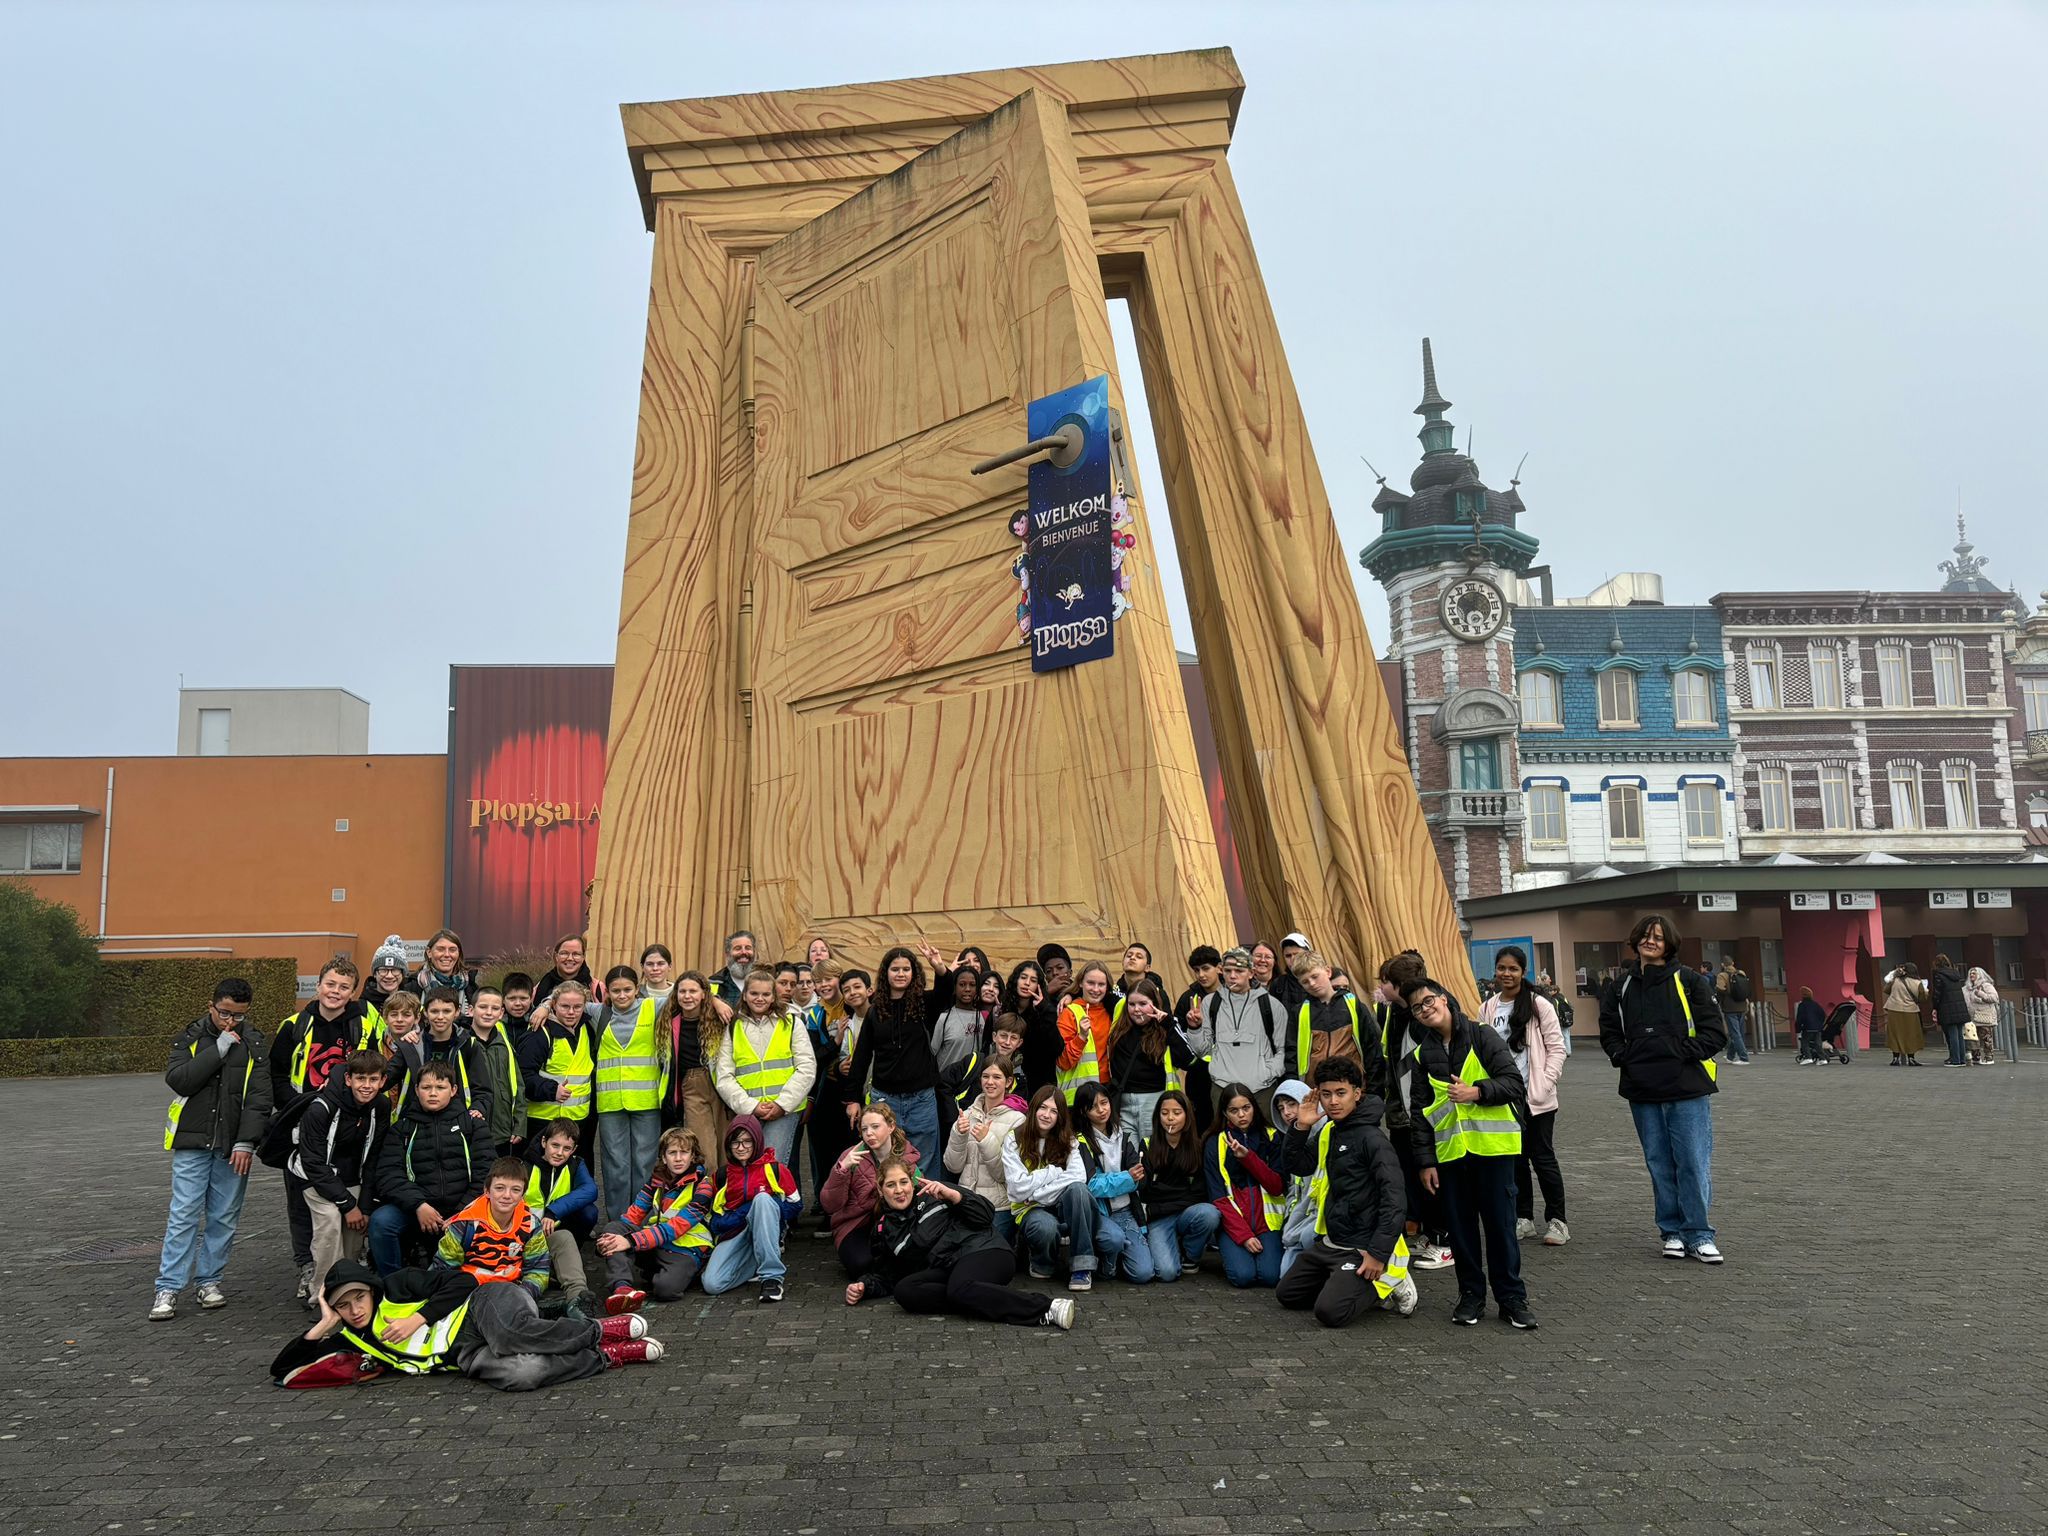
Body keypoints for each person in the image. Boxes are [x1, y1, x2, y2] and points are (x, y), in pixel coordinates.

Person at [272, 1260, 658, 1391]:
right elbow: (282, 1370)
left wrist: (417, 1318)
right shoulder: (352, 1337)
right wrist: (322, 1324)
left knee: (509, 1337)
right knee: (522, 1373)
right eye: (343, 1306)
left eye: (359, 1297)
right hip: (467, 1354)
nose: (355, 1309)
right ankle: (605, 1356)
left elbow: (464, 1282)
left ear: (370, 1290)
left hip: (485, 1305)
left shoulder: (398, 1285)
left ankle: (600, 1330)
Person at [1403, 978, 1535, 1327]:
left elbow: (1513, 1084)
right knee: (1461, 1232)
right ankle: (1471, 1296)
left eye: (1429, 1000)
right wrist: (1425, 1162)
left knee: (1501, 1228)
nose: (1425, 1009)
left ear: (1445, 999)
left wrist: (1477, 1092)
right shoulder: (1420, 1055)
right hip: (1450, 1157)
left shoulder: (1482, 1035)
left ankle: (1512, 1299)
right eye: (1417, 1007)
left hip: (1494, 1152)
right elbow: (1420, 1113)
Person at [1597, 913, 1725, 1264]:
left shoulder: (1689, 981)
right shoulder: (1620, 986)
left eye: (1658, 937)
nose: (1650, 941)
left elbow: (1715, 1032)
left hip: (1687, 1087)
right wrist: (1623, 1056)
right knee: (1658, 1163)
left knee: (1692, 1162)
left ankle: (1699, 1234)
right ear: (1636, 940)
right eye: (1645, 936)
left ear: (1669, 943)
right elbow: (1608, 1029)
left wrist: (1681, 1053)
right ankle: (1671, 1232)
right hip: (1642, 1088)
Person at [151, 978, 274, 1321]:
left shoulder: (255, 1042)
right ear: (211, 1006)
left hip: (233, 1145)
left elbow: (260, 1098)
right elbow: (180, 1080)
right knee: (184, 1213)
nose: (231, 1022)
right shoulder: (190, 1037)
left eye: (239, 1015)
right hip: (191, 1141)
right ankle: (169, 1287)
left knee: (223, 1216)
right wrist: (218, 1048)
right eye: (224, 1013)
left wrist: (246, 1141)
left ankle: (209, 1281)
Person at [269, 956, 384, 1306]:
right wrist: (301, 1105)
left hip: (352, 1119)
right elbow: (276, 1075)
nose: (335, 992)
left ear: (352, 992)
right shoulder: (294, 1025)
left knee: (348, 1187)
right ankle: (308, 1266)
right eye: (330, 984)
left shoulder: (365, 1021)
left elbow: (377, 1064)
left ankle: (347, 1270)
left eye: (344, 987)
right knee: (302, 1197)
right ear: (318, 985)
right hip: (305, 1120)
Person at [845, 1160, 1075, 1329]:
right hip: (949, 1267)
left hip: (986, 1251)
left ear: (912, 1182)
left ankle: (1046, 1308)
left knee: (959, 1287)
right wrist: (865, 1287)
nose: (899, 1190)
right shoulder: (883, 1228)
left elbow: (986, 1214)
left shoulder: (935, 1192)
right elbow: (887, 1273)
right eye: (891, 1185)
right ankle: (976, 1299)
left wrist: (956, 1196)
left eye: (904, 1182)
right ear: (880, 1189)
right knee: (905, 1291)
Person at [1276, 1055, 1417, 1327]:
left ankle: (1390, 1278)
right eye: (1326, 1094)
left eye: (1341, 1093)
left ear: (1357, 1093)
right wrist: (1301, 1127)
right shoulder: (1331, 1130)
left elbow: (1395, 1199)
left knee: (1330, 1313)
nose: (1333, 1101)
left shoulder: (1373, 1139)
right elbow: (1298, 1165)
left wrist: (1377, 1253)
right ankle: (1345, 1281)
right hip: (1332, 1242)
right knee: (1287, 1294)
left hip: (1363, 1248)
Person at [367, 1062, 493, 1277]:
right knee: (381, 1222)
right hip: (418, 1210)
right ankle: (393, 1285)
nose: (433, 1093)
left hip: (463, 1209)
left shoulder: (473, 1125)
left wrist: (461, 1213)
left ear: (453, 1090)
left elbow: (487, 1173)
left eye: (440, 1087)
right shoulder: (402, 1128)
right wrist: (418, 1205)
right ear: (416, 1090)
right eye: (426, 1088)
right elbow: (389, 1175)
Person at [1481, 946, 1569, 1246]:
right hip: (1504, 1097)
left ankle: (1558, 1221)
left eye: (1513, 969)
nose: (1506, 974)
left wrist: (1545, 1083)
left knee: (1542, 1158)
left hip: (1536, 1097)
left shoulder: (1538, 1005)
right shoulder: (1488, 1008)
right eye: (1501, 968)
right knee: (1515, 1160)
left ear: (1523, 971)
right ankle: (1524, 1218)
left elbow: (1557, 1047)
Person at [286, 1048, 390, 1304]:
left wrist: (363, 1206)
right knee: (331, 1222)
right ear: (348, 1079)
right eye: (360, 1079)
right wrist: (347, 1205)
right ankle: (324, 1291)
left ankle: (350, 1282)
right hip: (315, 1178)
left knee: (357, 1226)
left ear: (383, 1081)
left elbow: (374, 1159)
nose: (366, 1086)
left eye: (373, 1079)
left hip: (353, 1177)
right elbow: (313, 1162)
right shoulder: (321, 1108)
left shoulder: (381, 1106)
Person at [1377, 952, 1451, 1272]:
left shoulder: (1428, 1016)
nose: (1381, 988)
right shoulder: (1396, 1013)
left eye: (1386, 983)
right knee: (1412, 1173)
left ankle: (1444, 1240)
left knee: (1433, 1175)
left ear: (1401, 986)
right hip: (1404, 1111)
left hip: (1429, 1111)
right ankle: (1423, 1231)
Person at [843, 946, 942, 1170]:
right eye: (895, 968)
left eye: (906, 969)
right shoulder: (875, 1011)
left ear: (914, 973)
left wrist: (938, 966)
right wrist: (852, 1099)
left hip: (921, 1099)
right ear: (885, 973)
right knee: (886, 1161)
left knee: (924, 1160)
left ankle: (925, 1204)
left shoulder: (924, 1004)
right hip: (885, 1100)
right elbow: (862, 1056)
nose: (900, 973)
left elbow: (945, 993)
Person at [595, 1126, 713, 1306]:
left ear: (693, 1156)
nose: (679, 1158)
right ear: (664, 1158)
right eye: (672, 1153)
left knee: (665, 1290)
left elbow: (675, 1228)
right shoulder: (655, 1181)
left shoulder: (703, 1186)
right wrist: (607, 1242)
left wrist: (631, 1241)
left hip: (687, 1251)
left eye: (684, 1152)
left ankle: (670, 1274)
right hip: (656, 1245)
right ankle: (622, 1288)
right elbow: (631, 1217)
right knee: (613, 1229)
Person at [713, 966, 817, 1168]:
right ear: (744, 995)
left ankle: (778, 1201)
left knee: (771, 1166)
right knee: (746, 1167)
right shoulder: (733, 1027)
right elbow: (724, 1076)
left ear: (773, 997)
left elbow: (806, 1067)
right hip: (748, 1110)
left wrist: (782, 1104)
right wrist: (751, 1106)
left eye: (765, 994)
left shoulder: (792, 1022)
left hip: (784, 1110)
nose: (759, 998)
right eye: (754, 993)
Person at [1002, 1085, 1095, 1291]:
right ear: (1034, 1108)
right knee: (1045, 1227)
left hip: (1054, 1203)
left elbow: (1078, 1176)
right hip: (1029, 1209)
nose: (1047, 1115)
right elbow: (1017, 1188)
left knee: (1078, 1190)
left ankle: (1082, 1267)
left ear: (1060, 1116)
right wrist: (1053, 1172)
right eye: (1043, 1108)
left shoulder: (1068, 1139)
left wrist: (1037, 1194)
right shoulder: (1014, 1139)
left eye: (1054, 1111)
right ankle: (1042, 1261)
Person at [703, 1114, 801, 1301]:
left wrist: (765, 1210)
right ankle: (755, 1263)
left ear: (757, 1141)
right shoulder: (722, 1175)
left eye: (747, 1141)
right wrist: (746, 1212)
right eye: (736, 1142)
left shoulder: (775, 1169)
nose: (741, 1148)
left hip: (767, 1230)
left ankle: (772, 1278)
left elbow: (796, 1205)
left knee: (763, 1200)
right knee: (712, 1284)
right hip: (735, 1233)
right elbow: (714, 1221)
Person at [592, 964, 665, 1215]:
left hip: (646, 1101)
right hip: (611, 1102)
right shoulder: (597, 1012)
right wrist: (546, 1005)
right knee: (615, 1166)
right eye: (616, 991)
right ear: (607, 991)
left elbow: (689, 995)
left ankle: (642, 1219)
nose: (622, 995)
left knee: (645, 1165)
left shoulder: (652, 1006)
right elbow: (563, 996)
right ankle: (618, 1221)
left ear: (637, 989)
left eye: (627, 990)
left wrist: (718, 1002)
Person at [821, 1101, 920, 1274]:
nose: (869, 1133)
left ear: (891, 1126)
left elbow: (920, 1196)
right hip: (856, 1223)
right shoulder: (851, 1156)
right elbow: (830, 1205)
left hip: (895, 1221)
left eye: (875, 1127)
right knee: (861, 1265)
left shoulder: (907, 1157)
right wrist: (842, 1170)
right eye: (864, 1129)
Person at [1187, 948, 1286, 1121]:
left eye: (1239, 971)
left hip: (1262, 1089)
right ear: (1221, 971)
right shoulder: (1211, 1003)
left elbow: (1283, 1049)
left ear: (1251, 973)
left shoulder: (1271, 1005)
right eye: (1227, 971)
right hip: (1222, 1089)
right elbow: (1202, 1051)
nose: (1232, 976)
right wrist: (1195, 1028)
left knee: (1268, 1141)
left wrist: (1267, 1073)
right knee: (1227, 1142)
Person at [1072, 1081, 1155, 1283]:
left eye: (1105, 1103)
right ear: (1083, 1112)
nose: (1101, 1110)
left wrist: (1135, 1176)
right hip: (1100, 1213)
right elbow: (1091, 1185)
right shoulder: (1080, 1141)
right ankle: (1107, 1265)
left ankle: (1119, 1256)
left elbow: (1141, 1178)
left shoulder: (1123, 1136)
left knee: (1143, 1274)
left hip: (1127, 1211)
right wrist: (1127, 1178)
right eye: (1093, 1107)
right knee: (1113, 1239)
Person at [1206, 1080, 1285, 1289]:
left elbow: (1276, 1186)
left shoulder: (1272, 1136)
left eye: (1246, 1108)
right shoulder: (1216, 1143)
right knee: (1243, 1277)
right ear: (1224, 1113)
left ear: (1254, 1107)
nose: (1241, 1115)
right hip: (1235, 1225)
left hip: (1268, 1223)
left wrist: (1248, 1157)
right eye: (1234, 1110)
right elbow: (1218, 1197)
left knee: (1270, 1277)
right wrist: (1244, 1236)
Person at [436, 1156, 552, 1294]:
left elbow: (538, 1270)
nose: (507, 1195)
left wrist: (522, 1295)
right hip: (469, 1291)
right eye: (499, 1188)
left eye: (515, 1190)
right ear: (487, 1191)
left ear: (523, 1195)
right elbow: (442, 1269)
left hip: (512, 1292)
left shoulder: (531, 1225)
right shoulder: (465, 1224)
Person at [521, 1118, 600, 1313]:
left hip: (553, 1230)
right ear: (543, 1143)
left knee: (588, 1212)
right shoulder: (523, 1165)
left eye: (566, 1148)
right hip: (523, 1234)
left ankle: (578, 1300)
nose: (559, 1153)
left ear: (573, 1150)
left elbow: (590, 1190)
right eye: (555, 1145)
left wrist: (553, 1211)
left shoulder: (575, 1164)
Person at [1140, 1089, 1219, 1280]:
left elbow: (1199, 1194)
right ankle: (1171, 1245)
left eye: (1177, 1113)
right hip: (1159, 1219)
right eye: (1165, 1113)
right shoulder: (1147, 1145)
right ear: (1158, 1116)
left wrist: (1161, 1200)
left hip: (1183, 1213)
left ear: (1187, 1116)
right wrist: (1178, 1196)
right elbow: (1146, 1191)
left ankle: (1190, 1255)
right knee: (1167, 1273)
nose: (1170, 1118)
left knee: (1209, 1213)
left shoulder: (1198, 1147)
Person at [518, 980, 597, 1169]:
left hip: (579, 1122)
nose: (571, 1012)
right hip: (544, 1122)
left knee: (575, 1176)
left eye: (577, 1007)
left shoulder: (588, 1029)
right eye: (565, 1006)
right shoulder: (539, 1034)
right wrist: (551, 1090)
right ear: (553, 1005)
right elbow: (522, 1075)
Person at [1104, 977, 1193, 1140]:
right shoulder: (1119, 1028)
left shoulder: (1165, 1028)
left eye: (1143, 1004)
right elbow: (1097, 991)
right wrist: (1068, 995)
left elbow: (1188, 1060)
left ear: (1154, 1003)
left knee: (1151, 1155)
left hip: (1153, 1101)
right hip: (1123, 1103)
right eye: (1131, 1004)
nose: (1136, 1009)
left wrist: (1168, 1026)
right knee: (1129, 1157)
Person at [657, 969, 727, 1174]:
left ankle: (728, 1203)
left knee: (726, 1149)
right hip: (691, 1086)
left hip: (720, 1085)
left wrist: (716, 1001)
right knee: (704, 1152)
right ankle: (706, 1201)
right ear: (675, 994)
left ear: (704, 993)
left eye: (693, 991)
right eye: (682, 991)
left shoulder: (718, 1018)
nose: (687, 996)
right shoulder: (670, 1021)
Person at [944, 1057, 1026, 1225]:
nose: (990, 1082)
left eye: (997, 1077)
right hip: (965, 1202)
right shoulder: (966, 1115)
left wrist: (986, 1140)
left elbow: (1005, 1175)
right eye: (985, 1076)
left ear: (1008, 1081)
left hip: (998, 1208)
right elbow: (953, 1167)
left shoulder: (1018, 1120)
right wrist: (958, 1134)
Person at [809, 967, 867, 1200]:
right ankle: (825, 1201)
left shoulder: (853, 1006)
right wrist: (835, 1059)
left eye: (829, 979)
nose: (824, 985)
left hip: (857, 1088)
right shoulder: (815, 1015)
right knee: (825, 1146)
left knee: (852, 1144)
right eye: (818, 981)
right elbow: (813, 1057)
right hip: (829, 1087)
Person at [394, 988, 491, 1125]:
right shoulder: (411, 1044)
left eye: (446, 1011)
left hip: (457, 1121)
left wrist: (478, 1108)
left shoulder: (468, 1044)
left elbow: (482, 1088)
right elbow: (386, 1077)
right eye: (434, 1011)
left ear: (457, 1012)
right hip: (416, 1120)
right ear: (425, 1013)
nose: (440, 1017)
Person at [1291, 953, 1385, 1095]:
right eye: (1305, 981)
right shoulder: (1299, 1012)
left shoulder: (1353, 1005)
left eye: (1315, 976)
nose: (1312, 984)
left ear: (1328, 971)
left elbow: (1372, 1049)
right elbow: (1291, 1054)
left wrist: (1374, 1091)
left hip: (1354, 1088)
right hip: (1316, 1092)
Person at [465, 986, 526, 1156]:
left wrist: (519, 1124)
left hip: (502, 1131)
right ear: (471, 1010)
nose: (488, 1013)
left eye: (495, 1008)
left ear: (501, 1013)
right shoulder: (462, 1044)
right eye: (483, 1007)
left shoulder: (505, 1046)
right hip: (470, 1129)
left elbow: (518, 1086)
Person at [1269, 1079, 1320, 1276]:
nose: (1287, 1113)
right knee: (1284, 1280)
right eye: (1281, 1108)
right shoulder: (1289, 1144)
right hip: (1296, 1229)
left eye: (1292, 1104)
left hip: (1317, 1225)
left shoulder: (1324, 1137)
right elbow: (1293, 1193)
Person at [998, 961, 1063, 1100]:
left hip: (1037, 1086)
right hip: (1003, 1079)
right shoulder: (1001, 1009)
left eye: (1033, 980)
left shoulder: (1045, 1011)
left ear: (1038, 985)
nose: (1027, 983)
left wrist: (1045, 1010)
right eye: (1023, 977)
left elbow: (1057, 1048)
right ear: (1016, 980)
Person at [1055, 962, 1117, 1103]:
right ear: (1081, 983)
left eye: (1101, 984)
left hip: (1107, 1092)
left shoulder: (1111, 1011)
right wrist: (1081, 1037)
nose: (1096, 989)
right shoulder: (1069, 1012)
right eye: (1090, 983)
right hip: (1078, 1097)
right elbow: (1063, 1062)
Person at [402, 929, 481, 1016]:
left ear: (459, 954)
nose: (447, 954)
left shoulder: (471, 987)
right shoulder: (412, 987)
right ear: (429, 952)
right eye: (440, 949)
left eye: (452, 950)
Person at [532, 933, 596, 1016]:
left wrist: (547, 1004)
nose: (570, 958)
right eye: (564, 953)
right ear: (556, 956)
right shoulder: (541, 986)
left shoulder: (596, 988)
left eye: (576, 954)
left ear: (583, 957)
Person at [1928, 954, 1972, 1067]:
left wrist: (1935, 1007)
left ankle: (1955, 1060)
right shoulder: (1955, 974)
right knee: (1959, 1034)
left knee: (1952, 1034)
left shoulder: (1938, 975)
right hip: (1959, 1007)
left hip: (1947, 1007)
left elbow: (1937, 993)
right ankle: (1962, 1059)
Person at [1881, 963, 1928, 1066]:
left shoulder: (1895, 980)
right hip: (1910, 1011)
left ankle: (1895, 1058)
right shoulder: (1918, 982)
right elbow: (1922, 998)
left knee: (1895, 1034)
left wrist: (1895, 975)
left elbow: (1886, 990)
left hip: (1894, 1009)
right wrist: (1926, 991)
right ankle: (1911, 1058)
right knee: (1910, 1034)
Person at [362, 937, 411, 1020]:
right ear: (375, 974)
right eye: (383, 970)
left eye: (395, 970)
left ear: (403, 974)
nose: (389, 976)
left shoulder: (412, 1005)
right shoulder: (361, 1007)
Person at [1716, 959, 1754, 1064]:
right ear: (1733, 963)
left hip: (1730, 1007)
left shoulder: (1722, 975)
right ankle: (1730, 1056)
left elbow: (1720, 989)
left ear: (1722, 964)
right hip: (1742, 1006)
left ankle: (1744, 1057)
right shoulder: (1741, 973)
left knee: (1735, 1033)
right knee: (1739, 1032)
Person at [1256, 939, 1307, 1015]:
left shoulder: (1323, 978)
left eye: (1296, 954)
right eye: (1288, 956)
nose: (1293, 959)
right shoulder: (1278, 984)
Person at [707, 930, 757, 1004]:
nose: (743, 952)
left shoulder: (768, 980)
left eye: (748, 948)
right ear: (727, 954)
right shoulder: (714, 983)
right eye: (738, 948)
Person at [1965, 964, 2000, 1065]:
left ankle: (1989, 1057)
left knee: (1986, 1037)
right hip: (1972, 1017)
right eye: (1970, 973)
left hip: (1984, 1016)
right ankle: (1976, 1057)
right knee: (1973, 1038)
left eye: (1974, 973)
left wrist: (1981, 994)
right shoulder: (1966, 988)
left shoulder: (1986, 985)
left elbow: (1994, 998)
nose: (1971, 975)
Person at [1793, 987, 1828, 1064]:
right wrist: (1819, 1024)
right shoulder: (1816, 1004)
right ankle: (1823, 1058)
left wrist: (1798, 1028)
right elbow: (1822, 1015)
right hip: (1817, 1028)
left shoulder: (1802, 1005)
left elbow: (1800, 1018)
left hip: (1807, 1027)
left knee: (1804, 1042)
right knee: (1818, 1043)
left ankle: (1808, 1057)